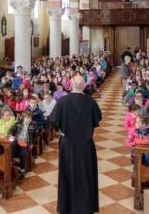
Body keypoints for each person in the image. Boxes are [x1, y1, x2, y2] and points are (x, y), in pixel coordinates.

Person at [49, 74, 102, 214]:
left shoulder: (62, 101)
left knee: (68, 173)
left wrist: (62, 130)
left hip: (68, 144)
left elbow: (53, 121)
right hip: (86, 144)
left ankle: (67, 207)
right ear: (84, 86)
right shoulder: (90, 102)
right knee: (86, 174)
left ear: (70, 85)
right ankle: (86, 207)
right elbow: (96, 121)